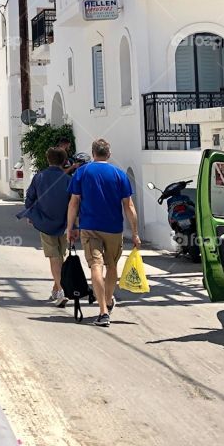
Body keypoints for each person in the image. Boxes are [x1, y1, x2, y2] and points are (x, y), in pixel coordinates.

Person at [65, 138, 141, 327]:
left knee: (95, 266)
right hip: (114, 228)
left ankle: (103, 311)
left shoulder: (81, 172)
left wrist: (70, 228)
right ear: (108, 154)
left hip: (90, 227)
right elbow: (129, 205)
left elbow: (74, 202)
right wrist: (135, 232)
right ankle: (108, 300)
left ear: (93, 154)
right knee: (112, 266)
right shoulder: (119, 174)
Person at [18, 147, 71, 304]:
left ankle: (60, 291)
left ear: (48, 160)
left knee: (54, 257)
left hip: (45, 221)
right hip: (64, 222)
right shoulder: (68, 179)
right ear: (64, 161)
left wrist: (30, 213)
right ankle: (57, 290)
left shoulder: (39, 177)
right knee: (61, 255)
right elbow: (74, 201)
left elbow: (30, 197)